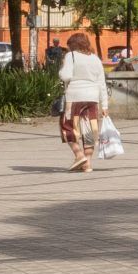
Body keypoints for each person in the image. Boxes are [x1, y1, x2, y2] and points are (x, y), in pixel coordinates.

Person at [56, 34, 107, 174]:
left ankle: (79, 155)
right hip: (93, 97)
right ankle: (88, 164)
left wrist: (61, 70)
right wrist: (105, 106)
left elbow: (66, 75)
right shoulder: (95, 58)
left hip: (75, 96)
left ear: (72, 45)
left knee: (67, 126)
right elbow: (102, 82)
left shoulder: (71, 56)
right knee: (89, 129)